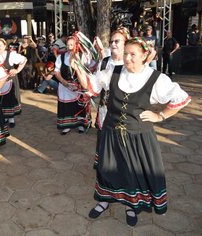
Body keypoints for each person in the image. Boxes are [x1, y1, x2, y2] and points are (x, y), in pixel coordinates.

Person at [75, 37, 191, 226]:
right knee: (106, 169)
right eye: (126, 53)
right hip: (111, 132)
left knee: (131, 173)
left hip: (137, 137)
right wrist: (78, 68)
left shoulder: (156, 78)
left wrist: (160, 115)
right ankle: (104, 200)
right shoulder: (113, 71)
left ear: (145, 55)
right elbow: (92, 86)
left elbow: (182, 98)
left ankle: (131, 205)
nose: (127, 58)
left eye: (132, 54)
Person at [92, 27, 129, 168]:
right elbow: (97, 84)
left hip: (122, 109)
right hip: (105, 107)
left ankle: (120, 165)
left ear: (125, 43)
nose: (113, 44)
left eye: (117, 41)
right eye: (111, 41)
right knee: (104, 135)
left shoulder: (128, 63)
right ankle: (104, 163)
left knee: (120, 137)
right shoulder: (104, 62)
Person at [54, 36, 92, 135]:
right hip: (65, 86)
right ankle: (67, 125)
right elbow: (56, 72)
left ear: (76, 45)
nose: (69, 47)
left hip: (78, 87)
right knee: (67, 107)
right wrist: (64, 82)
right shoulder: (61, 57)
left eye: (71, 44)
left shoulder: (82, 56)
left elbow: (90, 68)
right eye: (67, 45)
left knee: (79, 106)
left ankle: (80, 124)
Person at [0, 38, 27, 128]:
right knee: (1, 100)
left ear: (5, 46)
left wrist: (17, 70)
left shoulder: (11, 55)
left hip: (10, 80)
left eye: (0, 45)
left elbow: (24, 60)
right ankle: (4, 117)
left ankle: (11, 119)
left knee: (10, 98)